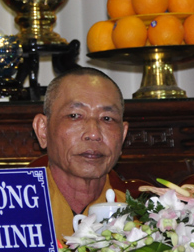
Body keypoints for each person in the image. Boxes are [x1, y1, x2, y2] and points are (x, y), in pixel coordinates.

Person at [31, 67, 129, 242]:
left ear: (122, 136)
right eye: (75, 116)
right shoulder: (11, 214)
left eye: (107, 118)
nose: (93, 134)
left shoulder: (144, 219)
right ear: (43, 130)